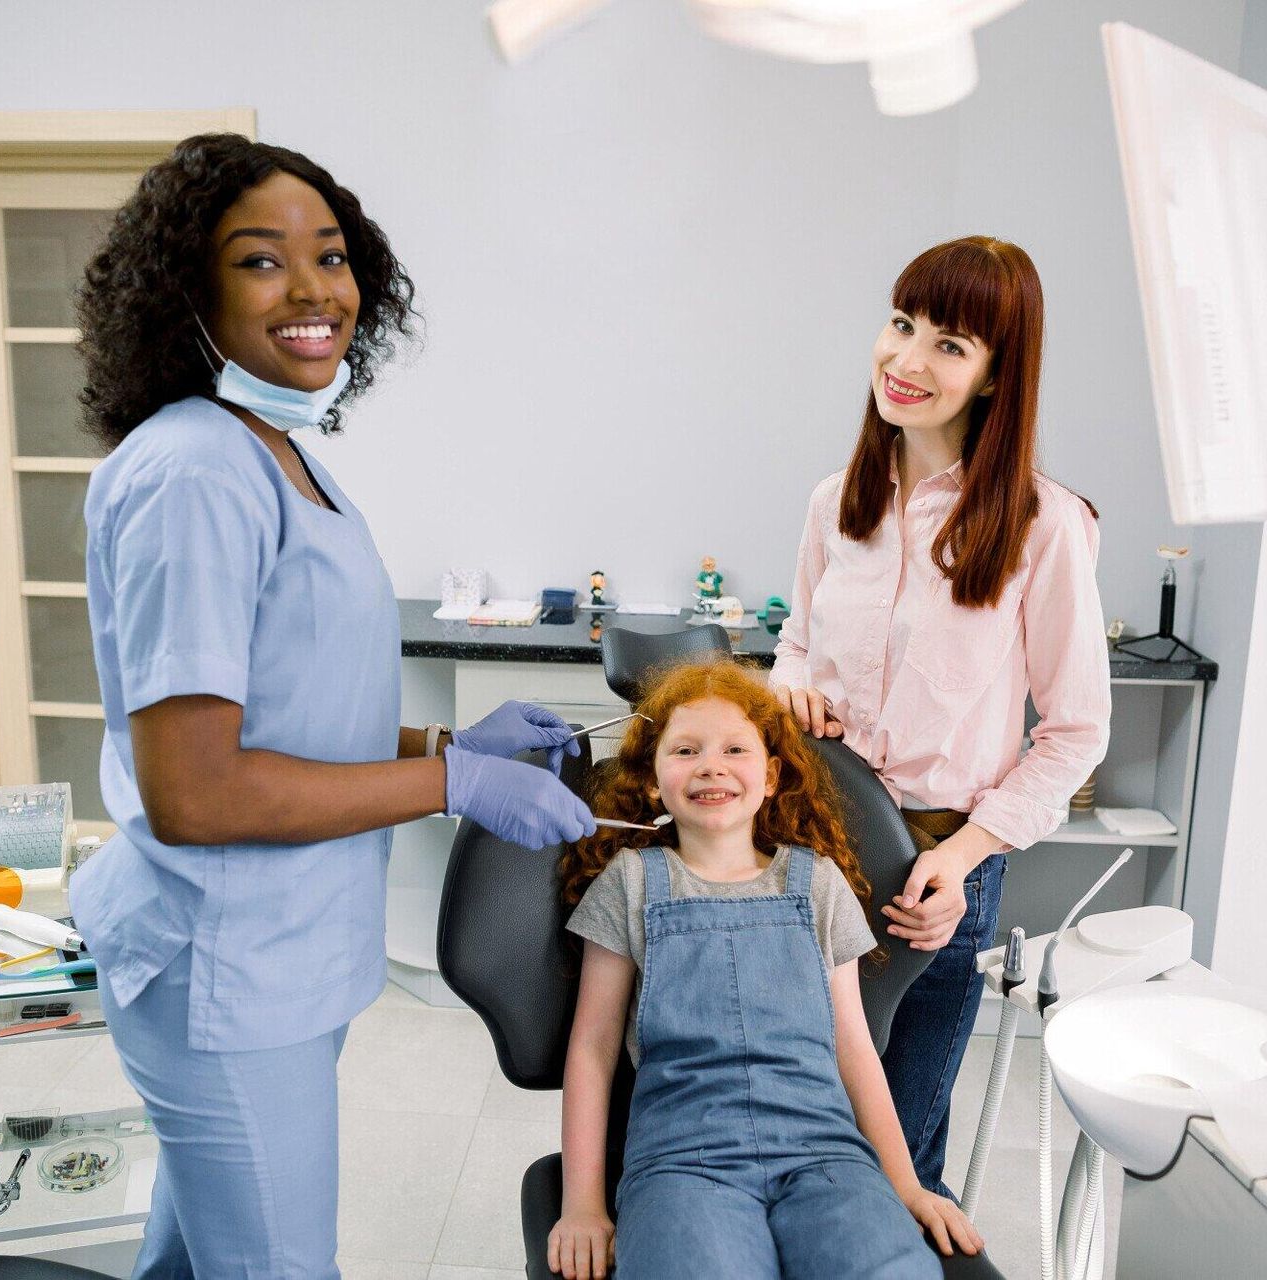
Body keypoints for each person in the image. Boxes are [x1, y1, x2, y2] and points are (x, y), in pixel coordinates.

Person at [68, 133, 594, 1279]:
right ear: (188, 292)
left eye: (334, 255)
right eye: (262, 261)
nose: (314, 290)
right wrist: (454, 782)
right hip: (224, 969)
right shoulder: (197, 472)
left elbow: (290, 715)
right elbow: (198, 787)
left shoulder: (278, 453)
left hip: (282, 954)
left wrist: (449, 743)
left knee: (196, 1252)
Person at [770, 236, 1111, 1197]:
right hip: (806, 845)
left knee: (898, 1155)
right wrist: (786, 683)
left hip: (932, 872)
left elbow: (1078, 732)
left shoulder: (1046, 525)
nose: (907, 360)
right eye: (902, 323)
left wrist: (959, 861)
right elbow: (795, 643)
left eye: (950, 344)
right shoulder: (835, 504)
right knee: (790, 1123)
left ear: (1000, 375)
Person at [548, 660, 983, 1280]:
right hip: (682, 1163)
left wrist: (906, 1186)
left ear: (772, 775)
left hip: (826, 1157)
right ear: (651, 780)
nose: (711, 765)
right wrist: (583, 1204)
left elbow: (853, 1048)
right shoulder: (631, 885)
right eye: (686, 750)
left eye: (734, 749)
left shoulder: (819, 885)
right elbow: (591, 1050)